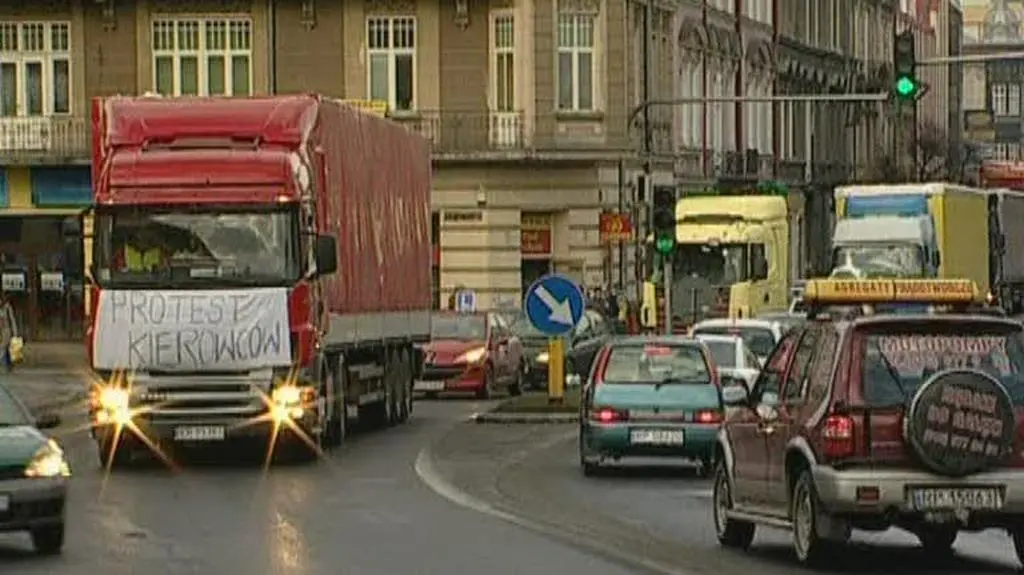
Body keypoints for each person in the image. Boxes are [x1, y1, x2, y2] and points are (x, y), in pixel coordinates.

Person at [0, 292, 18, 372]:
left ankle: (7, 364)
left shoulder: (7, 308)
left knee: (4, 347)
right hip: (2, 330)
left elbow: (12, 320)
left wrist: (15, 332)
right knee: (5, 349)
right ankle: (8, 364)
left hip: (6, 330)